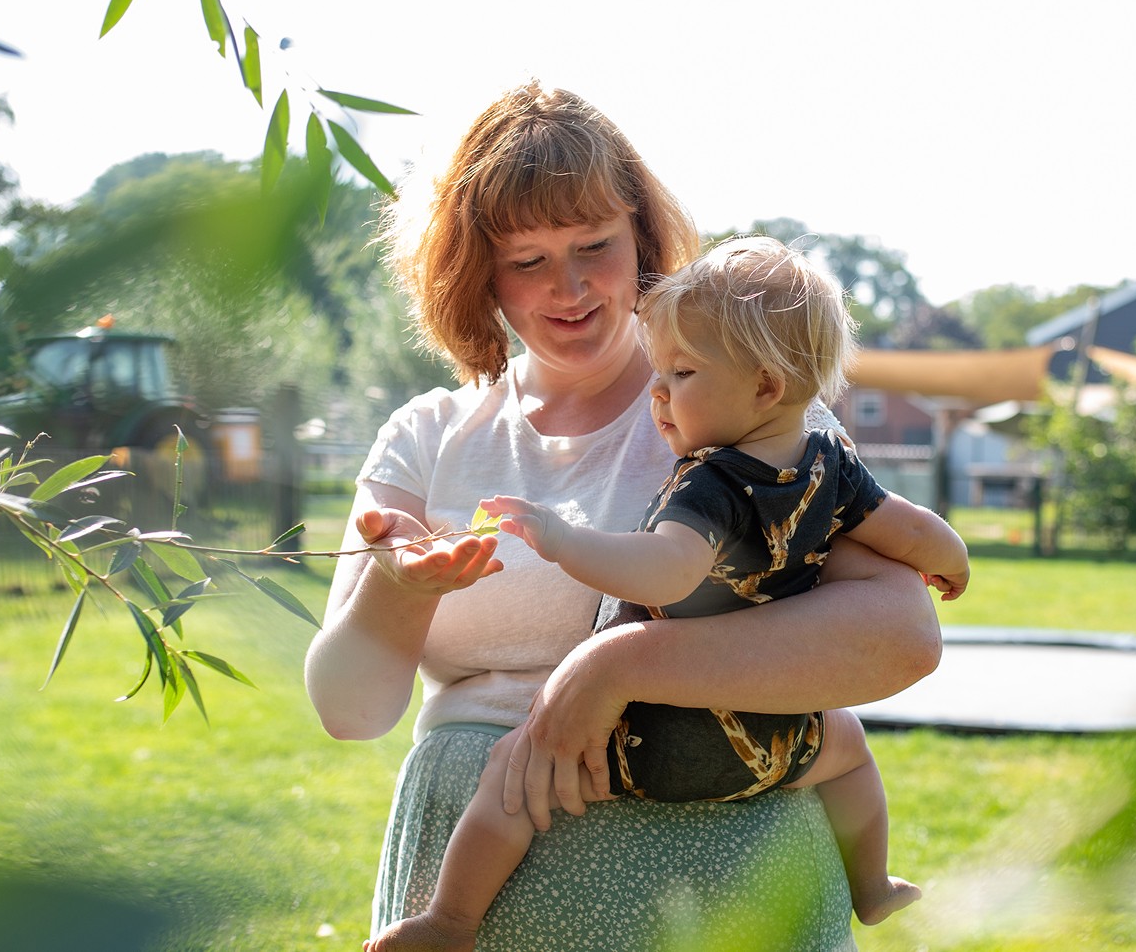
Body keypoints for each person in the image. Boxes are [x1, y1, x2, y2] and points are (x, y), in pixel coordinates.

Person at [303, 81, 942, 952]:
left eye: (593, 245)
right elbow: (349, 711)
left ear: (643, 237)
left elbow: (901, 636)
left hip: (730, 894)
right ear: (477, 269)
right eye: (526, 259)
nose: (567, 287)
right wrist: (401, 590)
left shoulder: (754, 413)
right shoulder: (429, 436)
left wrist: (615, 667)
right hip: (472, 888)